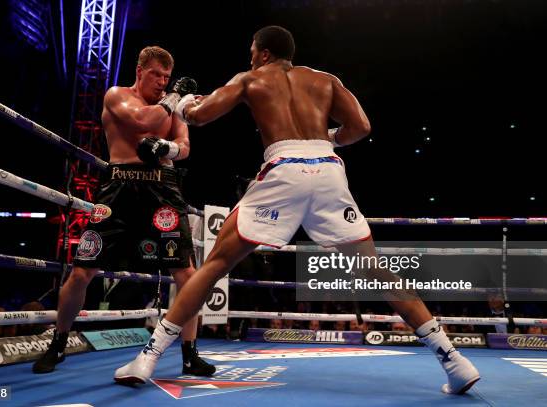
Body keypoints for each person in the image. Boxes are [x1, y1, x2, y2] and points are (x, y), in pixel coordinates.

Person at [114, 27, 480, 394]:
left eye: (252, 51)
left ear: (265, 54)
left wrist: (181, 100)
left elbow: (200, 115)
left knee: (213, 265)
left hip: (284, 169)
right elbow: (361, 127)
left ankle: (148, 357)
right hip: (329, 172)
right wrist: (328, 139)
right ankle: (454, 360)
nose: (250, 58)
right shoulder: (325, 80)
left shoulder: (250, 78)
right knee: (377, 272)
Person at [33, 46, 215, 378]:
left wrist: (169, 147)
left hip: (163, 189)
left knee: (187, 275)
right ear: (140, 71)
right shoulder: (117, 96)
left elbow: (185, 144)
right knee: (81, 271)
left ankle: (190, 353)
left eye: (167, 77)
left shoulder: (173, 106)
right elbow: (142, 120)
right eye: (156, 75)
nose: (162, 82)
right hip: (118, 187)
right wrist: (175, 97)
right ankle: (57, 343)